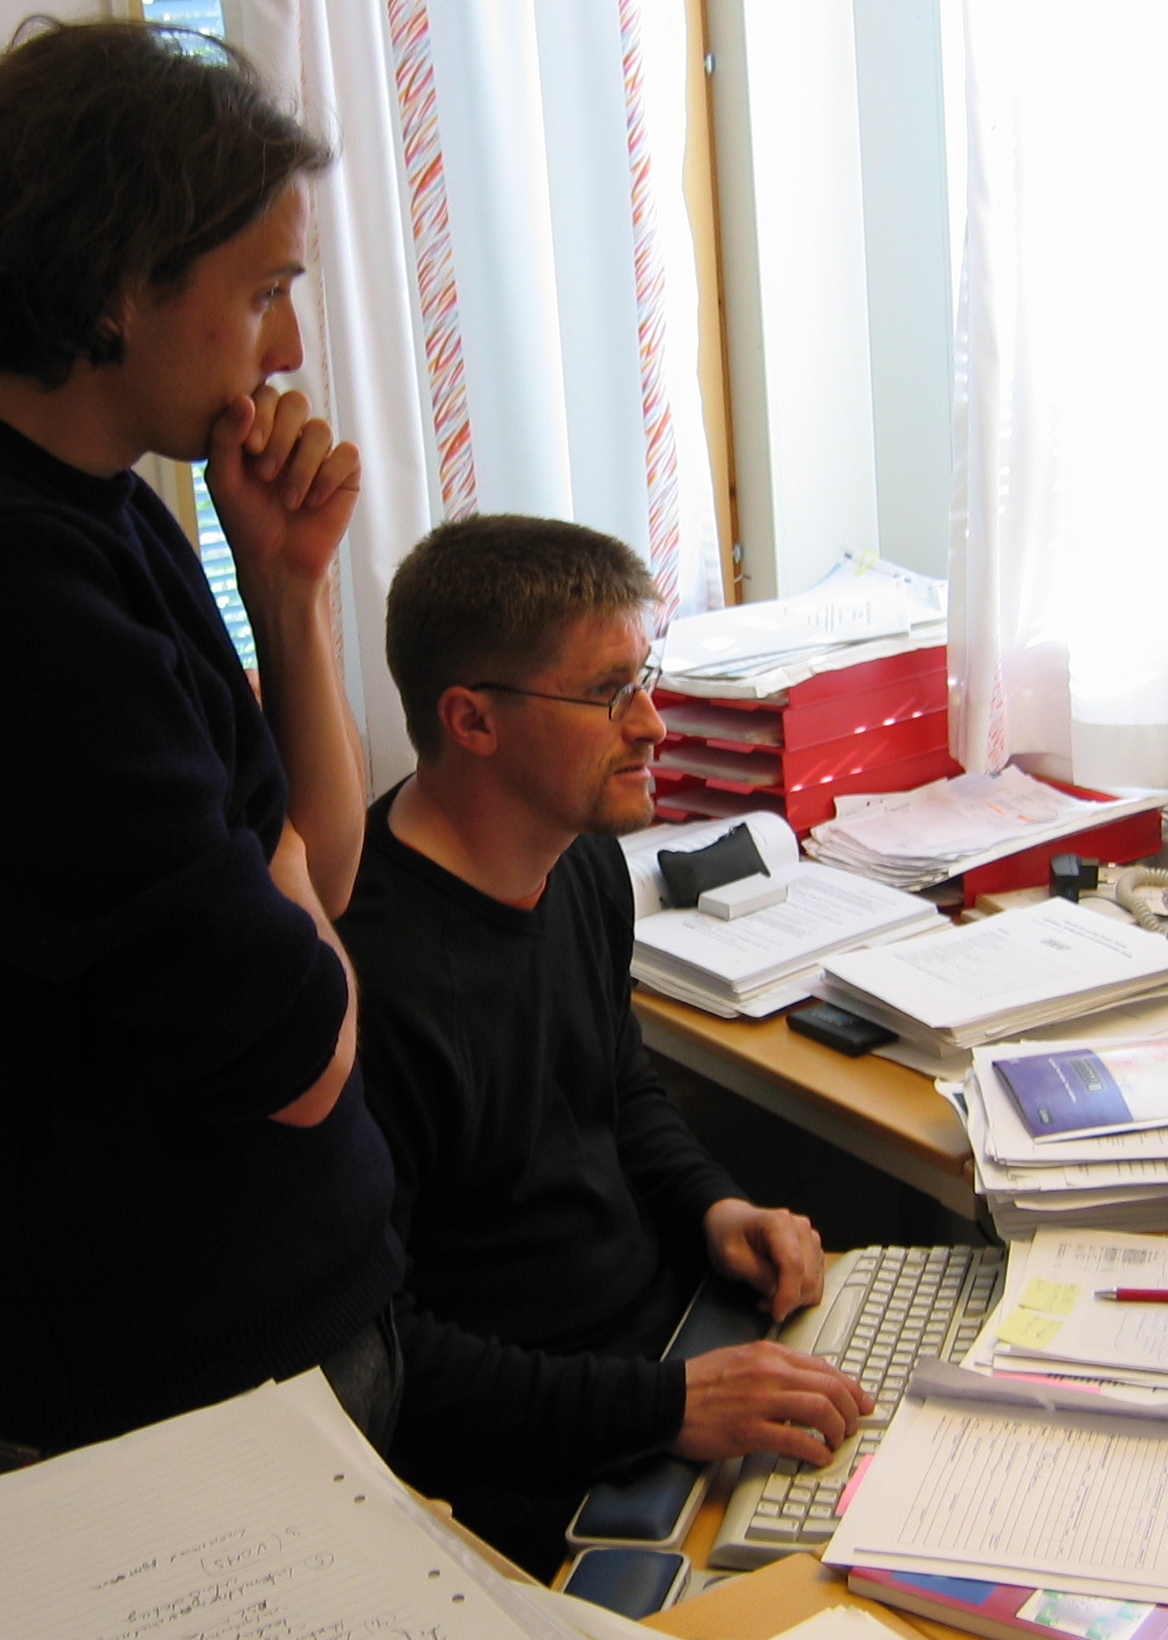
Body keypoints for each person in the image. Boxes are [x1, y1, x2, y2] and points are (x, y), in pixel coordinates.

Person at [0, 21, 404, 1464]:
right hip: (164, 1402)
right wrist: (277, 879)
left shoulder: (102, 508)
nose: (288, 348)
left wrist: (287, 592)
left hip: (264, 1346)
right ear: (124, 287)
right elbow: (298, 1051)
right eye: (264, 291)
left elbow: (324, 868)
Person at [338, 515, 869, 1574]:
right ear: (472, 720)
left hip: (670, 1358)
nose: (653, 724)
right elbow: (384, 1360)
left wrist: (715, 1206)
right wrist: (664, 1407)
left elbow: (616, 1092)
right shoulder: (362, 980)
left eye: (646, 679)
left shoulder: (577, 862)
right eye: (609, 692)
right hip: (540, 1455)